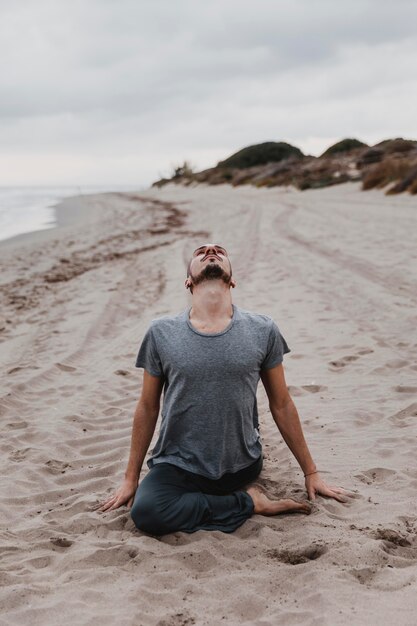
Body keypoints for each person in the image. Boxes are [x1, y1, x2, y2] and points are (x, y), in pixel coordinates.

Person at [98, 243, 348, 535]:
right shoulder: (161, 332)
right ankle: (249, 502)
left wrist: (311, 472)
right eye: (200, 252)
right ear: (188, 281)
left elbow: (281, 404)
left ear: (232, 279)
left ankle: (235, 496)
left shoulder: (262, 329)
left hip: (240, 466)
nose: (210, 251)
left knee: (163, 510)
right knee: (147, 513)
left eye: (219, 250)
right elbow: (147, 407)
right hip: (178, 465)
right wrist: (131, 479)